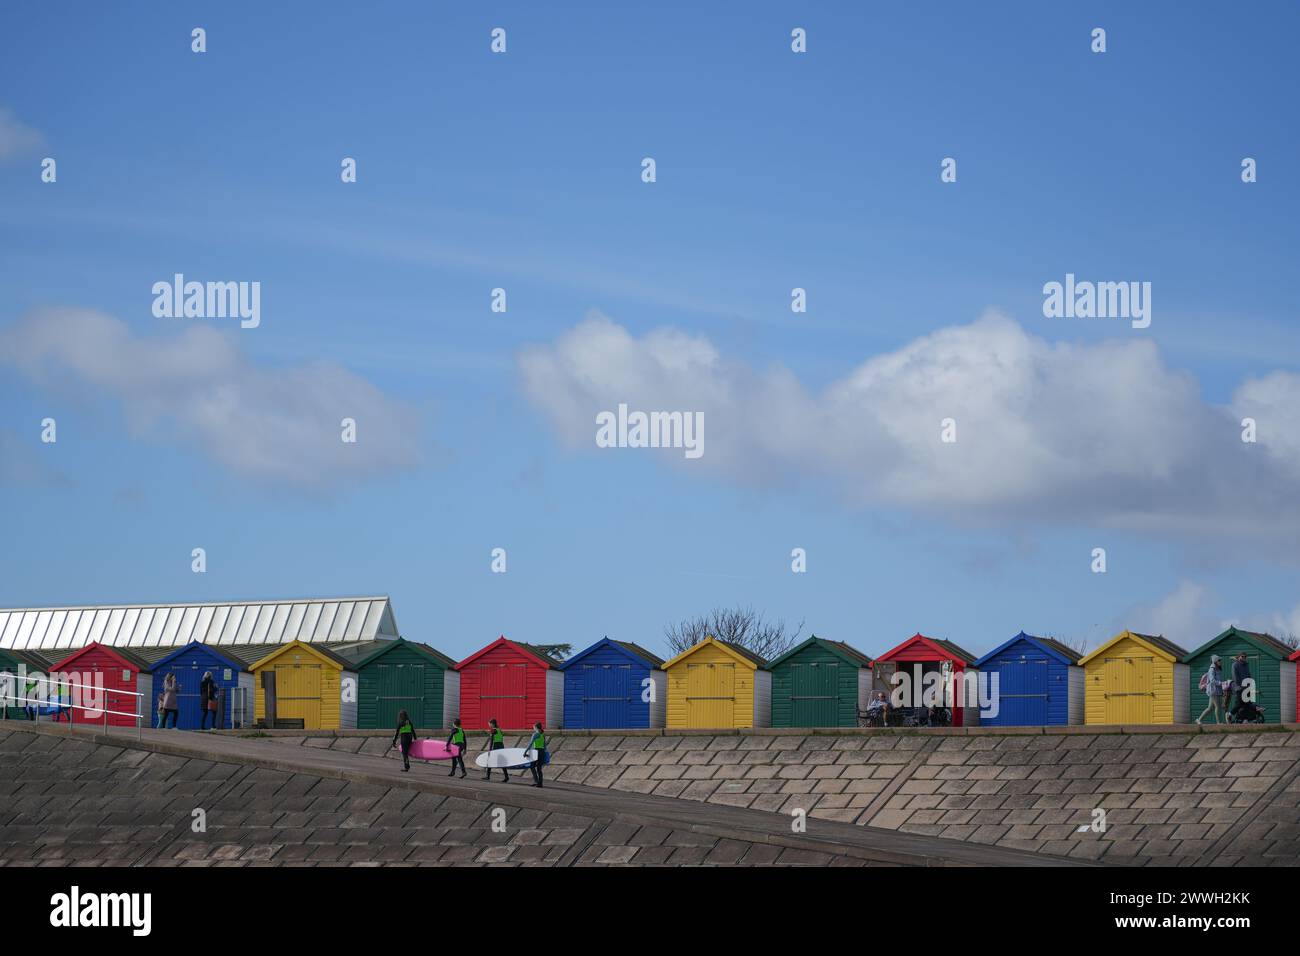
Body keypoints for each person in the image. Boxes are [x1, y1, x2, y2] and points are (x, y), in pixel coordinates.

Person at [1196, 655, 1225, 725]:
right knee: (1217, 706)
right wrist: (1221, 683)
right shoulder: (1212, 669)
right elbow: (1212, 681)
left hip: (1216, 690)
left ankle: (1198, 719)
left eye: (1220, 660)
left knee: (1210, 708)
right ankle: (1218, 722)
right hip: (1213, 690)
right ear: (1215, 661)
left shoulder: (1216, 669)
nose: (1220, 662)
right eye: (1219, 660)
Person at [483, 717, 509, 782]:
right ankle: (506, 777)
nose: (489, 725)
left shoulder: (493, 730)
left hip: (496, 746)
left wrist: (490, 750)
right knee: (502, 762)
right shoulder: (499, 730)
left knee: (489, 760)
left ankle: (487, 776)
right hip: (501, 746)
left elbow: (491, 741)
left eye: (489, 724)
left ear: (492, 724)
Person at [1229, 652, 1252, 722]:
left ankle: (1244, 719)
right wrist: (1242, 685)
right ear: (1238, 657)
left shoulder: (1246, 665)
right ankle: (1230, 713)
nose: (1244, 658)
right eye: (1242, 656)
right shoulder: (1235, 665)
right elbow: (1235, 677)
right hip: (1239, 687)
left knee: (1247, 704)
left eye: (1245, 656)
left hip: (1247, 687)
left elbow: (1248, 675)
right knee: (1240, 703)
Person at [526, 722, 548, 788]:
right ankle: (540, 783)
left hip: (536, 752)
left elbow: (530, 744)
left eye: (533, 727)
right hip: (542, 752)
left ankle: (536, 781)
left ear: (536, 727)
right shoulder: (543, 734)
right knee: (539, 768)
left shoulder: (535, 734)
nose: (533, 728)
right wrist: (545, 753)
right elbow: (544, 745)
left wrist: (525, 751)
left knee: (532, 766)